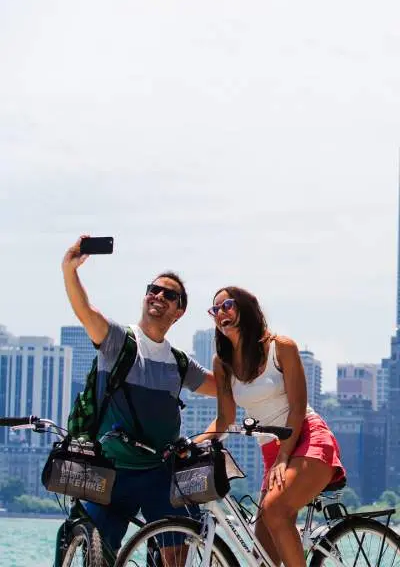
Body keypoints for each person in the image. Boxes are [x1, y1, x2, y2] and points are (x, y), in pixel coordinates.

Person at [62, 235, 216, 555]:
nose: (158, 295)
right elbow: (85, 311)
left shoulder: (179, 363)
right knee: (98, 554)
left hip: (160, 473)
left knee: (178, 552)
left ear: (179, 311)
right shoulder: (118, 341)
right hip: (110, 473)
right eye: (153, 289)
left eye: (168, 294)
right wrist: (69, 270)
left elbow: (226, 387)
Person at [199, 286, 346, 567]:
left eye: (227, 305)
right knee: (263, 556)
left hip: (307, 437)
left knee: (274, 510)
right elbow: (225, 418)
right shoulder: (223, 363)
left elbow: (298, 406)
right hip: (272, 450)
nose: (221, 313)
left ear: (246, 307)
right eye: (215, 310)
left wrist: (283, 456)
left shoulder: (282, 347)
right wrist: (191, 444)